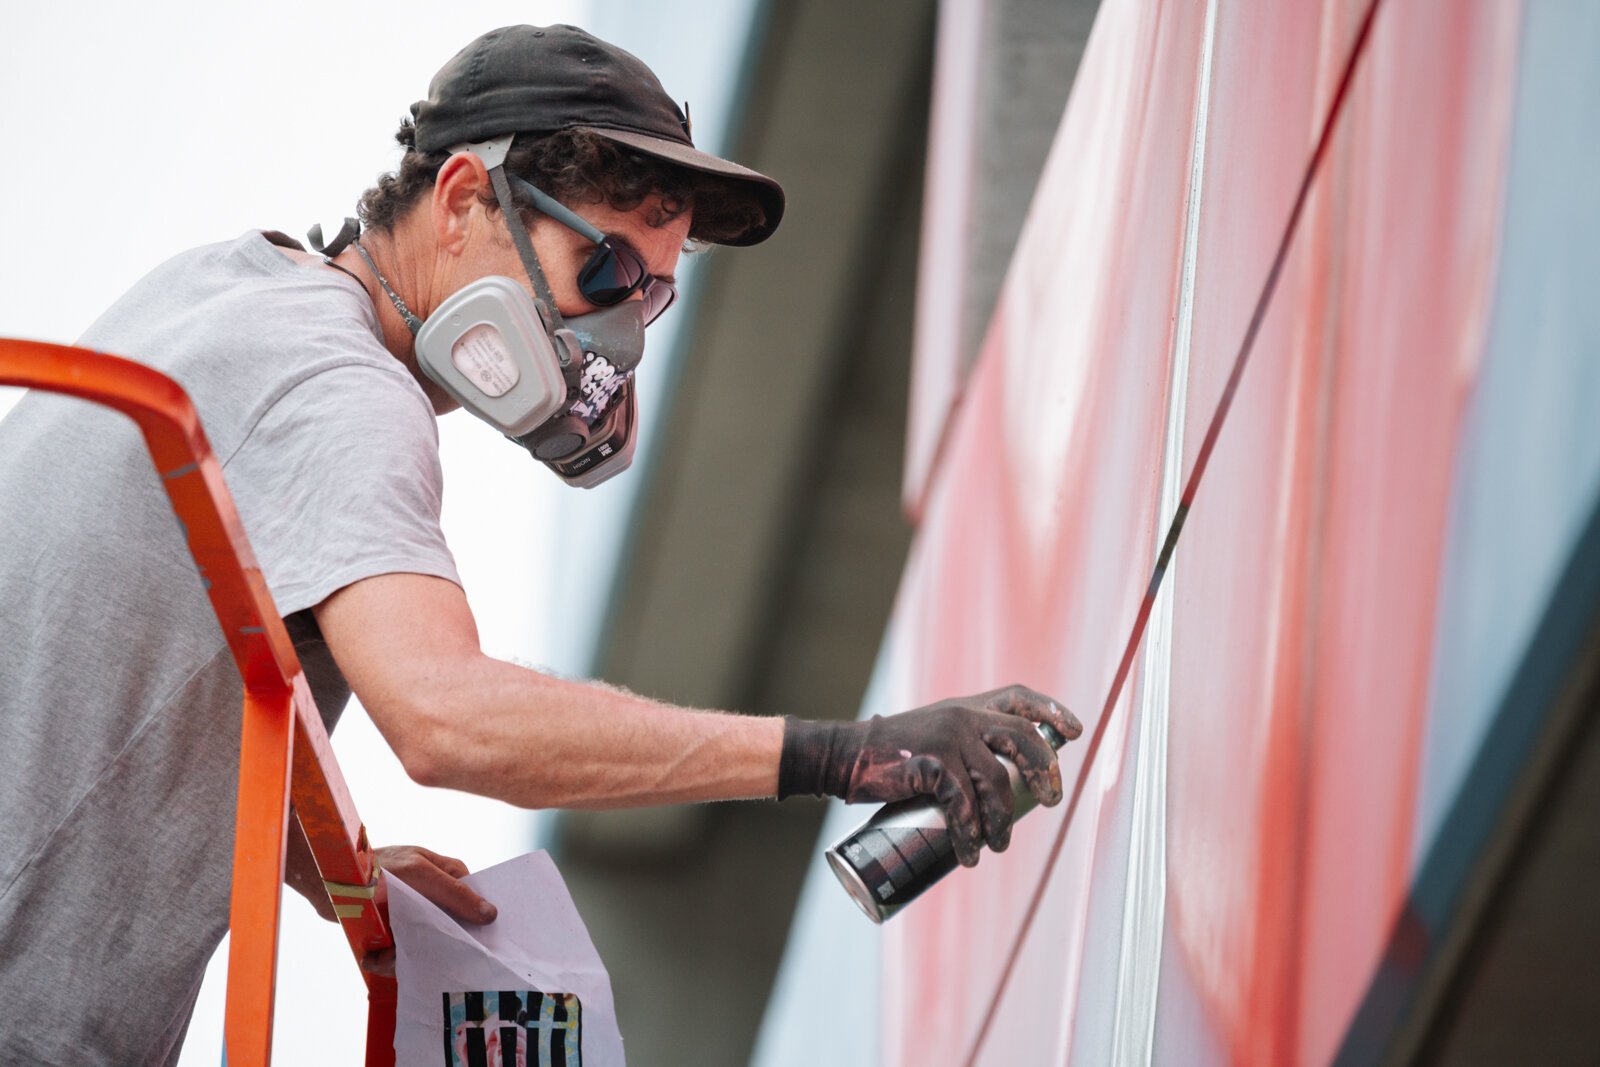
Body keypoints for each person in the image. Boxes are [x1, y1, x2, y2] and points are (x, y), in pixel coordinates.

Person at [0, 24, 1080, 1064]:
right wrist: (840, 752)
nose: (618, 335)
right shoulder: (345, 392)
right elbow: (445, 718)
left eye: (651, 295)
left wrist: (322, 857)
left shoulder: (227, 287)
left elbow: (108, 661)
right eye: (604, 270)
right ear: (462, 198)